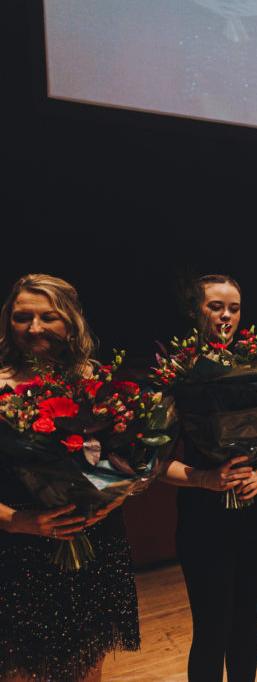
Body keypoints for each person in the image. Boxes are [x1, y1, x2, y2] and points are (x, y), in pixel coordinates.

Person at [0, 274, 140, 682]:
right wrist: (19, 522)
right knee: (20, 670)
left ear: (71, 323)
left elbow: (127, 465)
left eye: (49, 317)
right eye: (22, 317)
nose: (35, 327)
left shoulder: (96, 382)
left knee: (85, 666)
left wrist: (108, 503)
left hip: (92, 541)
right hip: (17, 550)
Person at [160, 274, 257, 682]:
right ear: (195, 310)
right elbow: (155, 462)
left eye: (234, 308)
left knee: (247, 625)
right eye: (215, 306)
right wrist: (204, 478)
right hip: (205, 518)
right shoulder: (178, 374)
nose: (226, 316)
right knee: (212, 630)